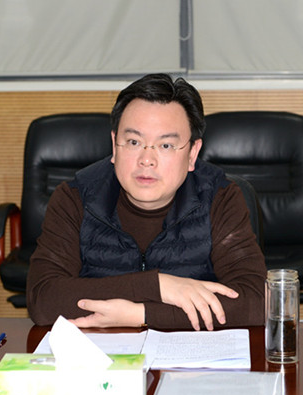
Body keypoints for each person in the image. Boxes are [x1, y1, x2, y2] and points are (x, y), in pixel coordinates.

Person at [27, 73, 266, 330]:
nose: (147, 160)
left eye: (166, 146)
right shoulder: (75, 197)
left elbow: (256, 302)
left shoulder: (220, 197)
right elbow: (43, 299)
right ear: (115, 146)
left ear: (192, 154)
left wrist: (141, 314)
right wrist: (157, 286)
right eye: (134, 142)